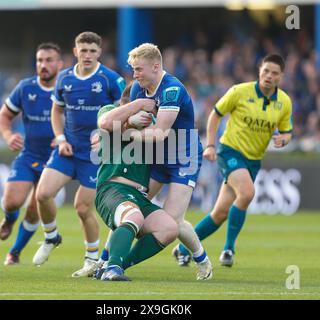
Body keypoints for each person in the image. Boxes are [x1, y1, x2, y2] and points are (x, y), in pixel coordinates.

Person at [175, 54, 293, 267]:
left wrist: (283, 139)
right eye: (266, 71)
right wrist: (210, 145)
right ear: (259, 70)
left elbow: (287, 131)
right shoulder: (239, 91)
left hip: (253, 160)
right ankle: (228, 249)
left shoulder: (284, 102)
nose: (269, 76)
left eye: (274, 73)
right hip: (230, 152)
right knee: (247, 193)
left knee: (219, 213)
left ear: (281, 76)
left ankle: (183, 248)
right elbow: (215, 115)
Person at [32, 31, 125, 278]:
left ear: (99, 52)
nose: (87, 55)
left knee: (82, 208)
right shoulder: (64, 79)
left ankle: (92, 259)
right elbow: (56, 112)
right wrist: (61, 139)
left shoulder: (111, 80)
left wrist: (106, 136)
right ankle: (51, 237)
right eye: (83, 50)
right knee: (42, 194)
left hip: (96, 155)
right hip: (68, 149)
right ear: (75, 52)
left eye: (92, 51)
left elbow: (124, 115)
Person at [125, 43, 212, 280]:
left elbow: (160, 132)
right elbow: (132, 121)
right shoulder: (137, 89)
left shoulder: (172, 89)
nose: (135, 75)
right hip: (158, 158)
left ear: (156, 66)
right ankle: (105, 261)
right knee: (129, 207)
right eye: (133, 69)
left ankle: (202, 260)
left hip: (184, 158)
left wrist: (129, 133)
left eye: (139, 69)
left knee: (172, 221)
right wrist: (132, 120)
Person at [95, 85, 179, 281]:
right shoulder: (109, 110)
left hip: (138, 195)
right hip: (111, 188)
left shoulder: (153, 124)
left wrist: (134, 125)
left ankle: (115, 265)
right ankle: (112, 268)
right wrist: (136, 110)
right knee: (133, 216)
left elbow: (163, 132)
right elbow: (106, 123)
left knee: (169, 228)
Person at [0, 43, 63, 265]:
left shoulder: (67, 88)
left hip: (55, 160)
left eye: (49, 60)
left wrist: (65, 137)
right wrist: (7, 135)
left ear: (59, 63)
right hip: (29, 155)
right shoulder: (25, 88)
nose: (43, 65)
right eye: (40, 60)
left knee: (35, 208)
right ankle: (9, 218)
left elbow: (83, 120)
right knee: (12, 201)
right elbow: (3, 116)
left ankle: (14, 252)